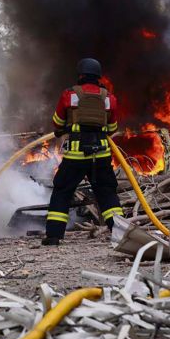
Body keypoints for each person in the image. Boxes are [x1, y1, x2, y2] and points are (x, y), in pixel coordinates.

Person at [43, 58, 123, 246]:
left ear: (80, 75)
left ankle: (54, 236)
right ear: (98, 76)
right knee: (107, 193)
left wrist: (70, 126)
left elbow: (57, 122)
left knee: (62, 191)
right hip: (101, 155)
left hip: (76, 156)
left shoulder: (69, 95)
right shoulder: (109, 98)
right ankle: (120, 235)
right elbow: (112, 127)